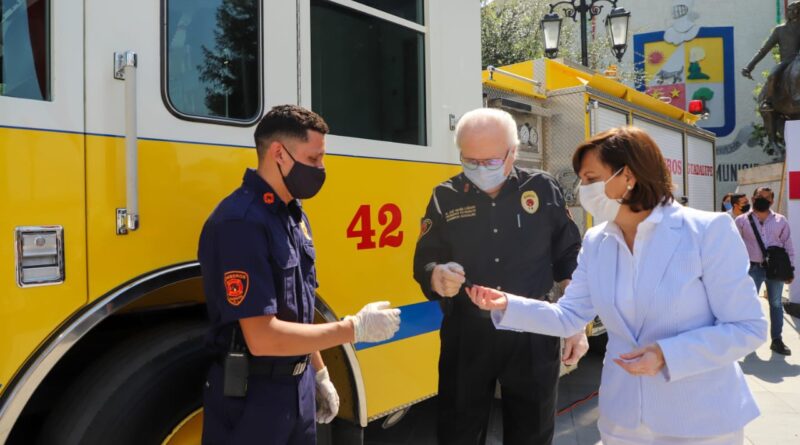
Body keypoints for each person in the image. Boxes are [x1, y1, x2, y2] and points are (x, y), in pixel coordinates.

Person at [467, 126, 767, 445]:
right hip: (623, 421)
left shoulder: (706, 232)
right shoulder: (597, 241)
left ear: (629, 175)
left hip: (700, 421)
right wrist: (507, 305)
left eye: (591, 178)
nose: (583, 190)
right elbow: (569, 316)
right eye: (581, 180)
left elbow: (747, 327)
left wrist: (667, 354)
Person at [198, 105, 401, 444]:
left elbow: (299, 311)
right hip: (253, 397)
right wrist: (353, 329)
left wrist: (319, 373)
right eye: (313, 158)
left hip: (298, 387)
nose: (321, 169)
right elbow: (262, 338)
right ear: (279, 153)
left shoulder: (294, 216)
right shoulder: (240, 223)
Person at [413, 108, 587, 445]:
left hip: (533, 329)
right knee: (458, 432)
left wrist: (576, 323)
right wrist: (436, 276)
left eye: (491, 161)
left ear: (513, 152)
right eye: (470, 160)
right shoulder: (444, 196)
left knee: (532, 433)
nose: (480, 169)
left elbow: (568, 255)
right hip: (467, 333)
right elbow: (425, 259)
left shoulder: (542, 188)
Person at [735, 187, 795, 355]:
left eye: (766, 197)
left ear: (772, 200)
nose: (762, 199)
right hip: (751, 268)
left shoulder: (780, 220)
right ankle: (748, 340)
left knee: (776, 304)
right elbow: (733, 246)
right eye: (759, 196)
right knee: (748, 304)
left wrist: (790, 269)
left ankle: (777, 340)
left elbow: (788, 246)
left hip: (776, 269)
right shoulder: (741, 220)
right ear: (753, 198)